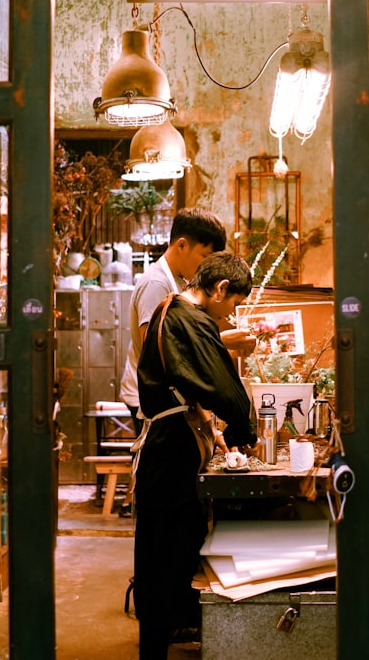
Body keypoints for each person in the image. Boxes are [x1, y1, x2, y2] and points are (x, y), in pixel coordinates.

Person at [133, 251, 257, 659]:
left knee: (161, 554)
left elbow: (183, 384)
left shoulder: (171, 310)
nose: (230, 315)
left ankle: (158, 643)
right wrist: (242, 431)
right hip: (170, 451)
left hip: (165, 444)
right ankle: (156, 646)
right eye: (234, 304)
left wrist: (209, 428)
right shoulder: (192, 319)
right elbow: (223, 386)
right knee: (166, 557)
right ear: (221, 289)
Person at [118, 208, 254, 516]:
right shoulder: (157, 284)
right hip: (160, 405)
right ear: (181, 245)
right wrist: (221, 344)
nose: (204, 267)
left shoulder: (178, 283)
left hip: (176, 403)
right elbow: (161, 348)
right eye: (204, 256)